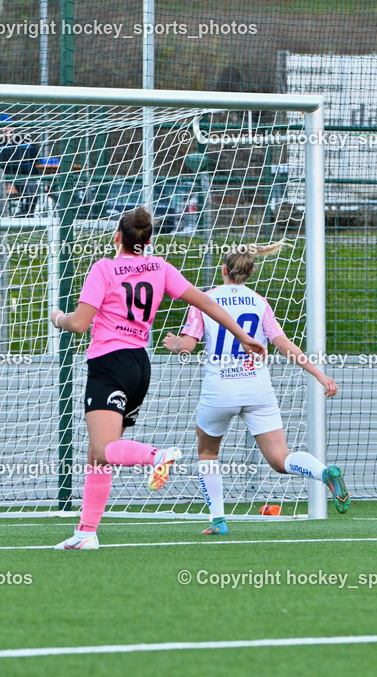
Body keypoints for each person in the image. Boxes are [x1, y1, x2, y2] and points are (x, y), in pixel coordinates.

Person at [49, 207, 267, 550]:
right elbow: (206, 303)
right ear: (147, 241)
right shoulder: (160, 267)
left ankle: (156, 456)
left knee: (104, 448)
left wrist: (58, 317)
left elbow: (79, 324)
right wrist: (241, 334)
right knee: (98, 454)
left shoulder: (104, 268)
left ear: (118, 237)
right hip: (139, 364)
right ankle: (86, 532)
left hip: (109, 362)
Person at [162, 243, 349, 535]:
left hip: (220, 390)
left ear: (223, 270)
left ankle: (218, 522)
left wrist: (174, 343)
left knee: (208, 454)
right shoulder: (259, 302)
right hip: (257, 390)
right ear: (250, 274)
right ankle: (324, 472)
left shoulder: (205, 300)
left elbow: (187, 345)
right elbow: (282, 344)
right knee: (280, 459)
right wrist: (319, 374)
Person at [0, 113, 41, 217]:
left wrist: (22, 172)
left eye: (8, 126)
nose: (6, 130)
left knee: (32, 188)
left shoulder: (26, 141)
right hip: (0, 178)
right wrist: (5, 178)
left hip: (22, 177)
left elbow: (35, 163)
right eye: (2, 127)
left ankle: (27, 214)